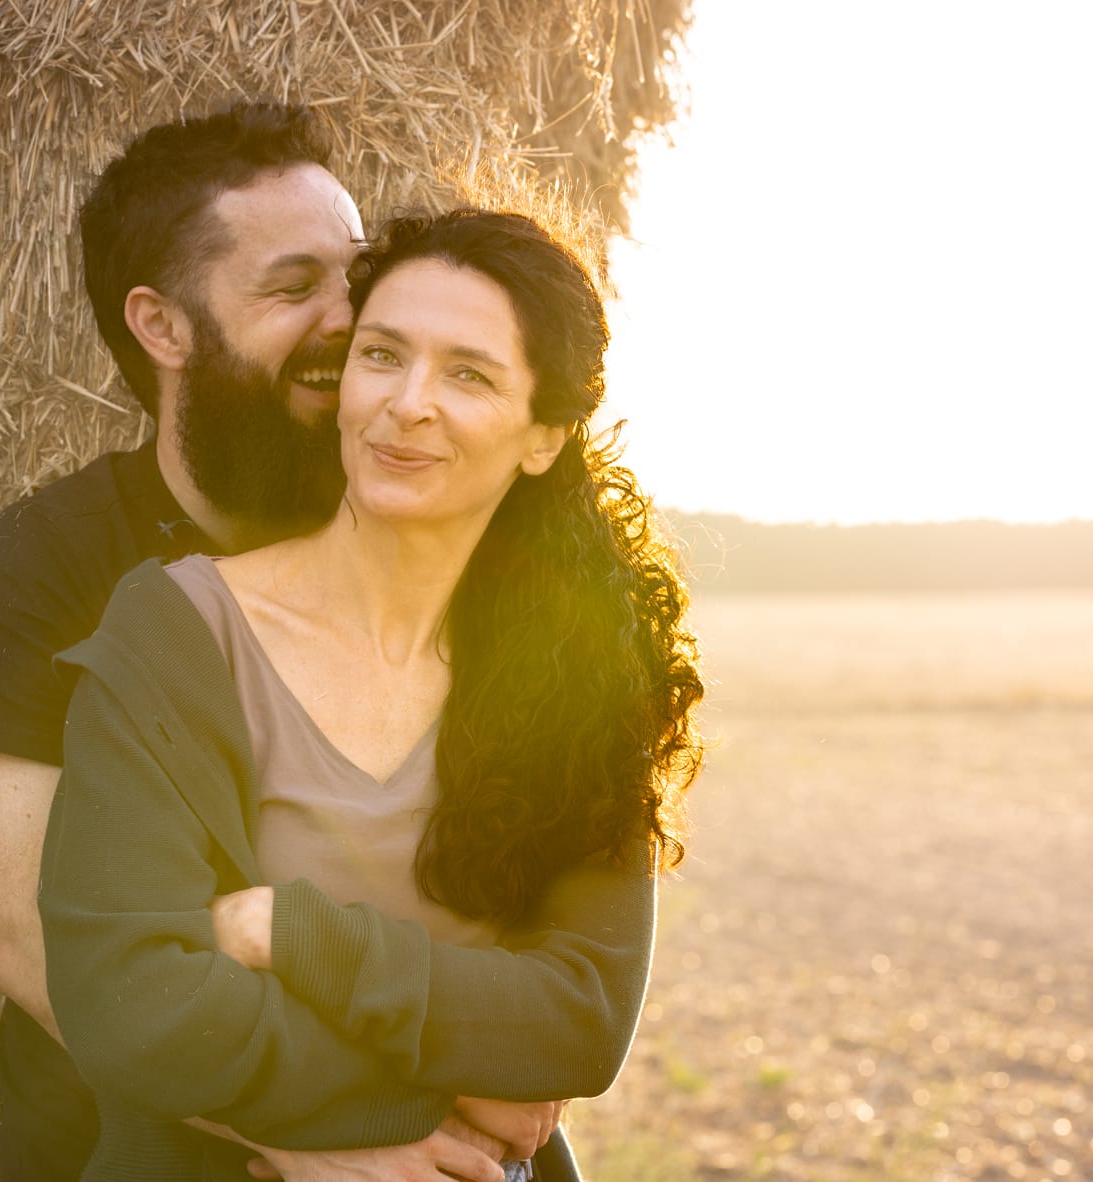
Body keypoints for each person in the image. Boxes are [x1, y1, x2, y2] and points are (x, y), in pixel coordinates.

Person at [37, 209, 704, 1180]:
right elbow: (125, 1002)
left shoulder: (584, 671)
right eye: (381, 355)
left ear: (542, 437)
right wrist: (402, 1104)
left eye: (467, 374)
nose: (407, 402)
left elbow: (580, 1024)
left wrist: (292, 935)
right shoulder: (178, 630)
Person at [0, 100, 366, 1180]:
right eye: (295, 288)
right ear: (162, 327)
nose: (351, 322)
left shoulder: (414, 544)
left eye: (359, 276)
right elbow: (31, 948)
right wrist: (313, 1139)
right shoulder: (43, 564)